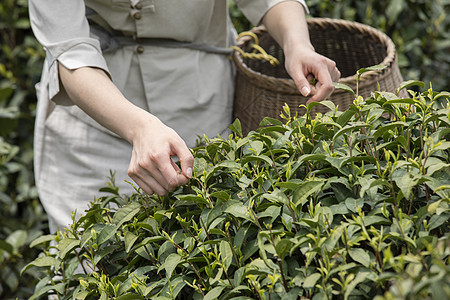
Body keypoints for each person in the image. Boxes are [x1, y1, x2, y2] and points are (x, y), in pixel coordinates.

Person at [29, 0, 341, 233]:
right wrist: (139, 128)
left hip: (203, 107)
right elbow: (70, 51)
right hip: (91, 125)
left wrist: (296, 43)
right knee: (90, 267)